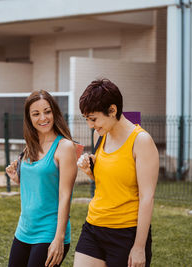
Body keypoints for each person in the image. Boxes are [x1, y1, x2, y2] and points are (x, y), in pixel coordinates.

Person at [74, 79, 159, 267]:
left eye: (93, 118)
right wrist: (89, 171)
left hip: (125, 234)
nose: (90, 125)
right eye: (86, 119)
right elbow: (108, 183)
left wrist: (139, 247)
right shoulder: (100, 135)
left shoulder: (141, 141)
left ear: (112, 110)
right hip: (93, 227)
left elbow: (147, 197)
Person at [6, 90, 78, 267]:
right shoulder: (30, 145)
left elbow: (64, 195)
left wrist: (59, 238)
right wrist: (19, 180)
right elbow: (42, 185)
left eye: (47, 111)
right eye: (36, 114)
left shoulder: (65, 147)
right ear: (29, 118)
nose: (43, 118)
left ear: (54, 112)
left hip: (49, 232)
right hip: (24, 230)